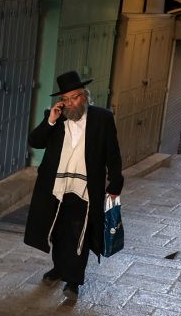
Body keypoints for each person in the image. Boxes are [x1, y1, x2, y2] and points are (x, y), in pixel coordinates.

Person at [24, 71, 123, 301]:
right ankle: (59, 268)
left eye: (74, 98)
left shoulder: (102, 118)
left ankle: (74, 280)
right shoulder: (56, 119)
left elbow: (113, 153)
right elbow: (35, 141)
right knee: (58, 232)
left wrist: (116, 182)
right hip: (59, 186)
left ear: (85, 97)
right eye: (66, 99)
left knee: (80, 233)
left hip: (87, 188)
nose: (70, 103)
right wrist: (50, 120)